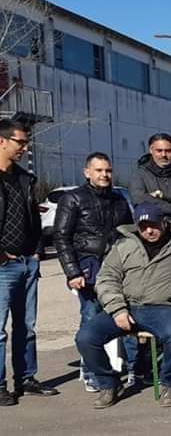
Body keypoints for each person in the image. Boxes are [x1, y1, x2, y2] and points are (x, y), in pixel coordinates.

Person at [75, 203, 171, 408]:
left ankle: (169, 382)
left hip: (162, 307)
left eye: (154, 225)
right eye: (143, 226)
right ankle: (109, 384)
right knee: (86, 337)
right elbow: (107, 278)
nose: (149, 231)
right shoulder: (124, 246)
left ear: (164, 223)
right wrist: (118, 309)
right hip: (125, 306)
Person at [54, 152, 135, 392]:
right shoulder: (73, 199)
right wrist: (72, 272)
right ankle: (93, 374)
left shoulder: (119, 199)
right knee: (91, 318)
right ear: (87, 172)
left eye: (108, 170)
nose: (104, 175)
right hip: (88, 269)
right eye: (99, 170)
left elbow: (129, 233)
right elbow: (61, 237)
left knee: (125, 316)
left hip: (117, 268)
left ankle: (134, 369)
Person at [0, 118, 57, 406]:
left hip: (27, 262)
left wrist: (36, 252)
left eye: (26, 142)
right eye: (20, 142)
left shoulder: (25, 179)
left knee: (27, 325)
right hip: (2, 266)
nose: (25, 147)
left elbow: (33, 217)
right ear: (2, 141)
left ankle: (25, 378)